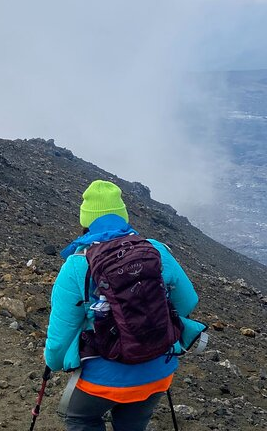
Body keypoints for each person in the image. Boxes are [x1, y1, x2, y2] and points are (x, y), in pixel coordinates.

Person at [45, 180, 206, 431]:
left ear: (86, 221)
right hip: (158, 370)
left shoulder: (76, 266)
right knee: (133, 424)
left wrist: (54, 363)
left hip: (102, 377)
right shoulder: (156, 251)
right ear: (123, 216)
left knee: (81, 418)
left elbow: (60, 334)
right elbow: (188, 302)